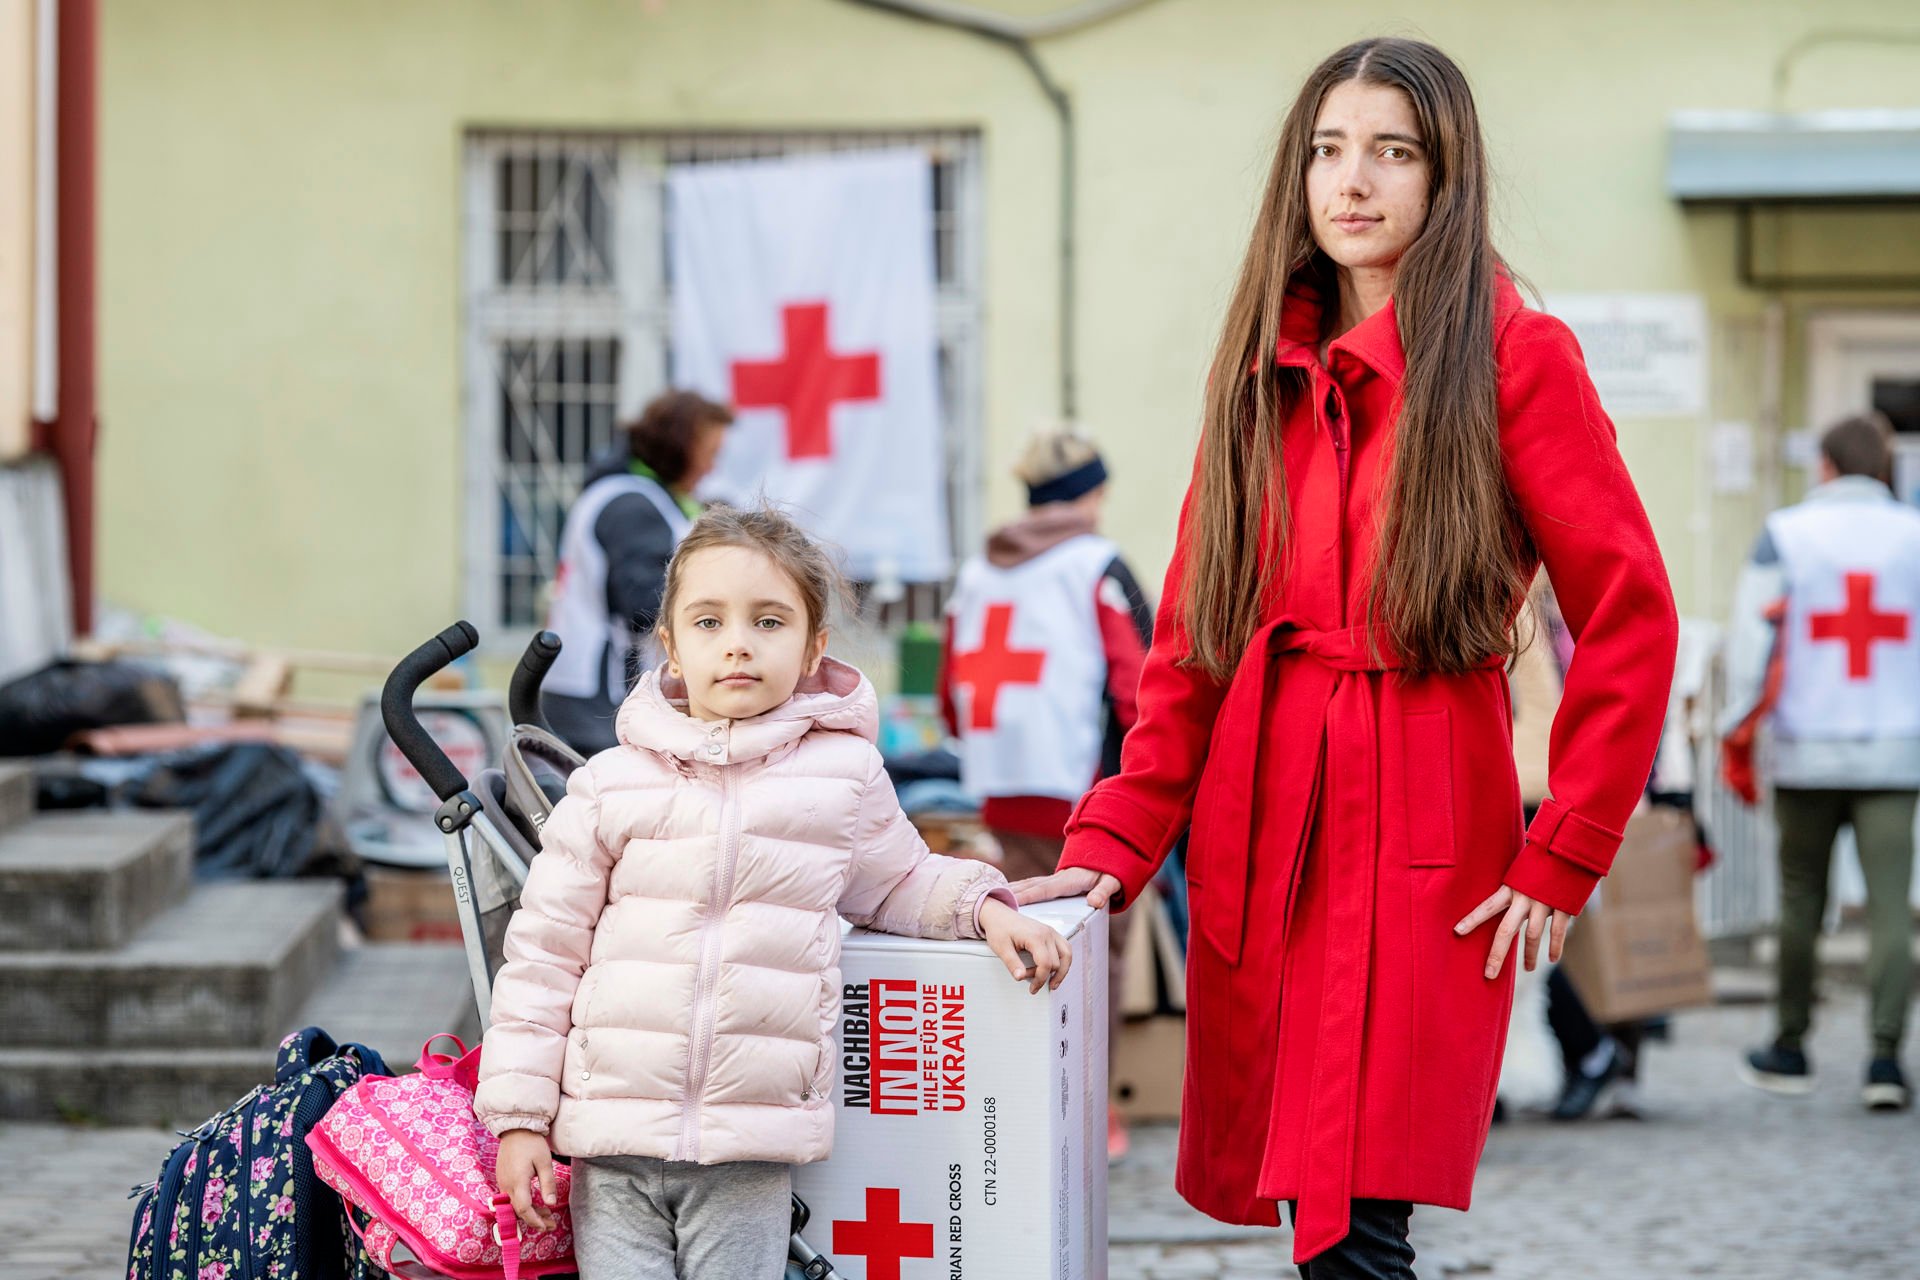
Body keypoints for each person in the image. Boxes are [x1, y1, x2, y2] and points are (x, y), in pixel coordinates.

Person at [1012, 37, 1678, 1278]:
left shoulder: (1518, 359)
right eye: (1328, 149)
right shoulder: (1259, 367)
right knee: (1320, 1210)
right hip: (1269, 822)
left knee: (1358, 1210)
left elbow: (1633, 610)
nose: (1352, 180)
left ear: (1444, 177)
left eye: (1391, 151)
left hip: (1429, 821)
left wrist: (1568, 843)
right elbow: (1196, 635)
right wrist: (1115, 839)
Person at [475, 506, 1072, 1278]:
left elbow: (902, 879)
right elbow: (542, 958)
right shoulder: (608, 786)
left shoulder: (842, 778)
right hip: (611, 1138)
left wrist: (985, 909)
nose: (737, 643)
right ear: (672, 647)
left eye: (768, 621)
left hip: (748, 1147)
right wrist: (519, 1120)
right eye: (709, 621)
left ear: (813, 646)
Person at [937, 428, 1154, 1162]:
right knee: (1099, 954)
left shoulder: (976, 573)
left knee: (1024, 943)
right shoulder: (1097, 566)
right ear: (1091, 493)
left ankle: (1030, 1111)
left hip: (1002, 788)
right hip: (1088, 799)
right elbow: (1142, 690)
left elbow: (948, 696)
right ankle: (1093, 1118)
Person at [1721, 412, 1919, 1112]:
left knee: (1801, 897)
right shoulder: (1915, 536)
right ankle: (1886, 1061)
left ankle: (1791, 1046)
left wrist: (1735, 727)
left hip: (1806, 745)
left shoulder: (1787, 532)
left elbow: (1752, 639)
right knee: (1893, 905)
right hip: (1896, 750)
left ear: (1828, 466)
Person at [543, 390, 734, 755]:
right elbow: (644, 605)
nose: (712, 467)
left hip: (582, 686)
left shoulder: (626, 493)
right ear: (680, 446)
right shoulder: (634, 506)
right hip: (602, 691)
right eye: (710, 453)